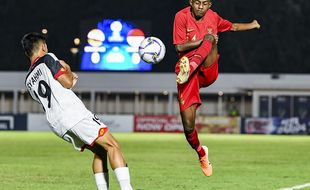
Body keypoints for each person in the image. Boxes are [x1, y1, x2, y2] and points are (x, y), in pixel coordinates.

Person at [22, 32, 133, 190]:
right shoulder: (48, 58)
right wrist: (68, 71)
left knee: (100, 150)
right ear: (43, 46)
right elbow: (67, 83)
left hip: (57, 124)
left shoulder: (28, 79)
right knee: (113, 145)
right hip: (72, 114)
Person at [173, 0, 260, 176]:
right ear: (191, 2)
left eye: (205, 3)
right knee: (188, 128)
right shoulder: (180, 16)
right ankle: (201, 153)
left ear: (210, 5)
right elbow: (179, 46)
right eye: (197, 2)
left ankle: (192, 64)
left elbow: (233, 26)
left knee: (211, 38)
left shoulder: (213, 18)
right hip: (187, 76)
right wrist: (201, 41)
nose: (200, 7)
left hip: (205, 69)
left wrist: (252, 25)